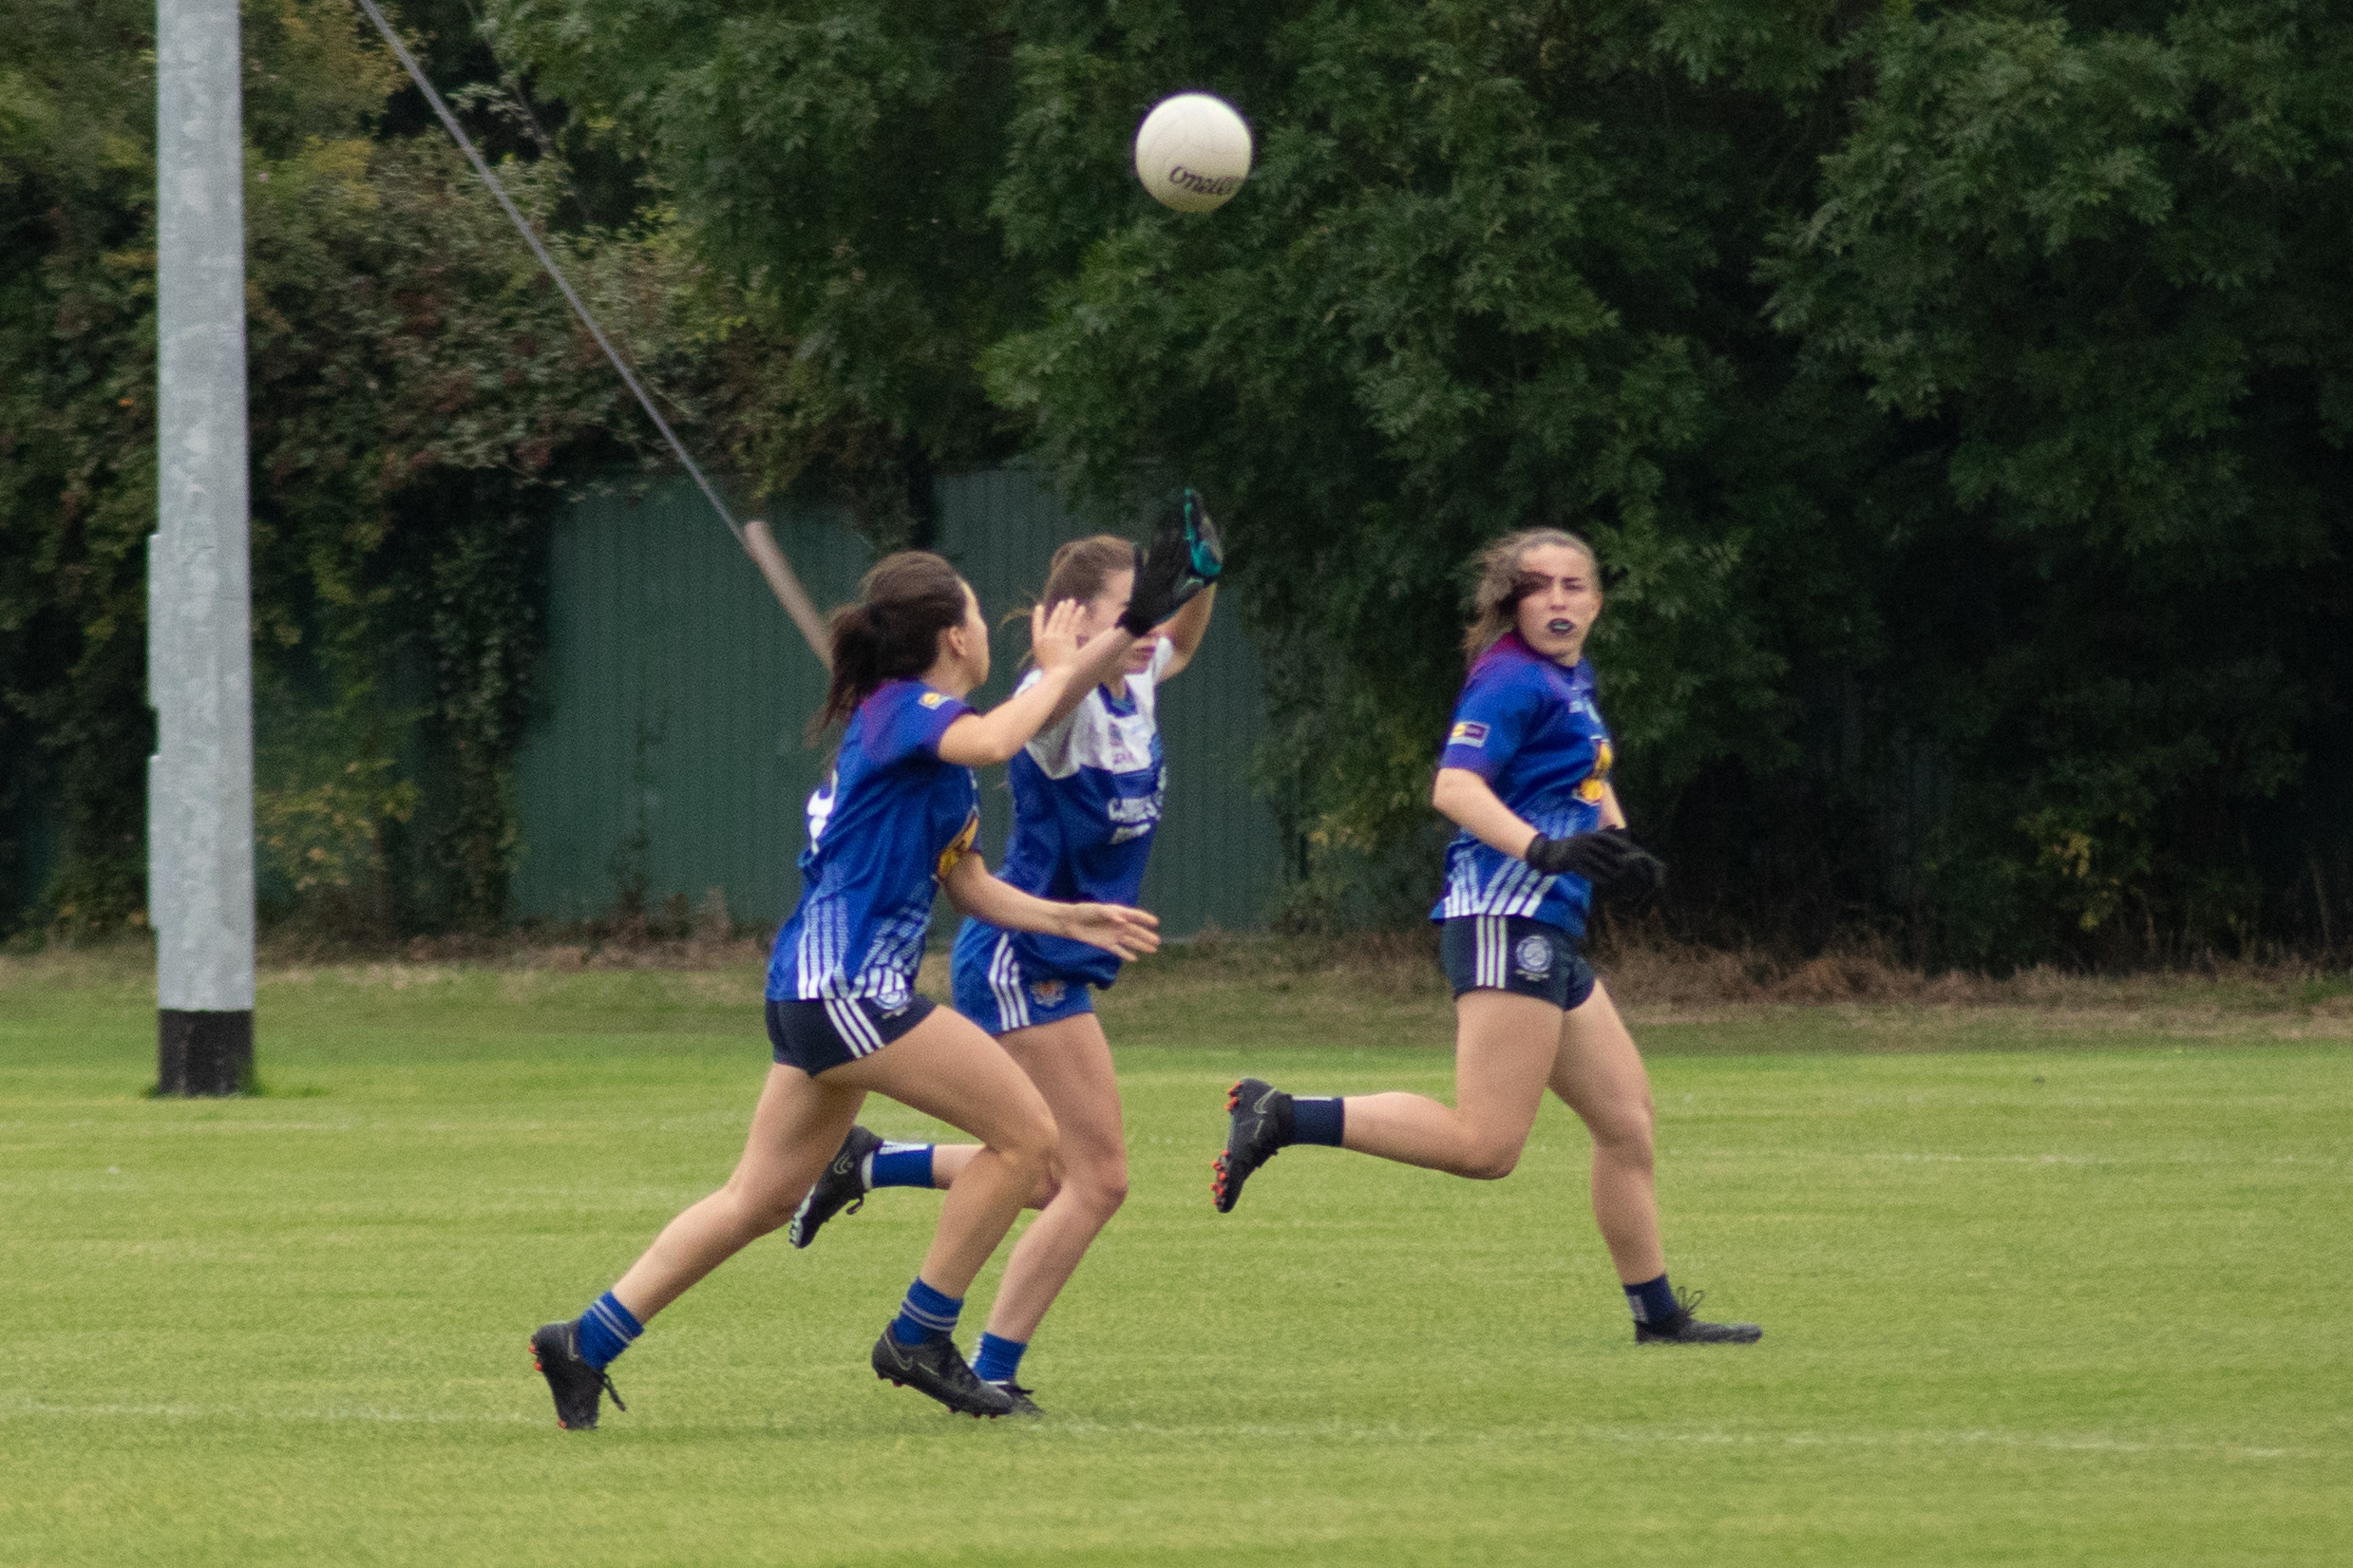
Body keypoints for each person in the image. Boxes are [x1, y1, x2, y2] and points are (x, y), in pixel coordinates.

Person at [528, 547, 1182, 1429]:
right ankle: (920, 1334)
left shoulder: (927, 741)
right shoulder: (908, 712)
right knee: (1029, 1139)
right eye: (978, 613)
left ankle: (583, 1340)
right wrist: (1063, 666)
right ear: (955, 637)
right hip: (847, 990)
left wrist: (1067, 917)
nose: (989, 627)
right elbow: (1001, 736)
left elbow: (971, 888)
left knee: (758, 1199)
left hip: (815, 992)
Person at [1209, 527, 1760, 1346]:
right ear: (1512, 602)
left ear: (1596, 600)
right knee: (1486, 1144)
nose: (1558, 599)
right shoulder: (1510, 677)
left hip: (1547, 925)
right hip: (1505, 918)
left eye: (1573, 584)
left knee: (1626, 1121)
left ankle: (1658, 1317)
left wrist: (1620, 847)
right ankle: (1283, 1113)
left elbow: (1588, 777)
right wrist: (1543, 850)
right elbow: (1455, 787)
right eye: (1538, 586)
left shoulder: (1568, 678)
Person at [784, 496, 1224, 1414]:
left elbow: (1179, 636)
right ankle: (987, 1363)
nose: (1147, 627)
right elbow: (1013, 724)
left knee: (1050, 1173)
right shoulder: (1054, 705)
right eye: (1128, 610)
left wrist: (1200, 578)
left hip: (1052, 946)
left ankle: (870, 1165)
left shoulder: (1136, 679)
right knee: (1094, 1179)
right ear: (1072, 621)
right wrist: (1074, 660)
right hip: (1019, 955)